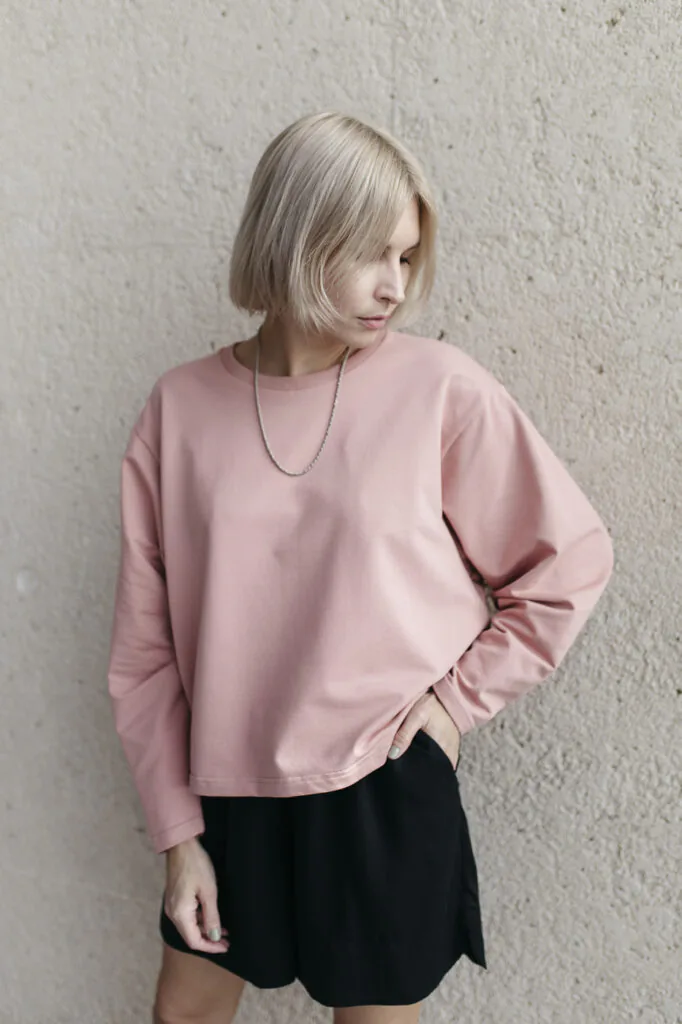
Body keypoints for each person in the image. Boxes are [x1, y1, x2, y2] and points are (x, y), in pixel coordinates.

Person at [106, 110, 614, 1024]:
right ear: (294, 238)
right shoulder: (179, 410)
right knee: (184, 1013)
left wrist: (454, 708)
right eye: (369, 254)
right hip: (224, 792)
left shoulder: (440, 388)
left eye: (407, 256)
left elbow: (567, 561)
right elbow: (145, 655)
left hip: (381, 781)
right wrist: (178, 836)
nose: (395, 286)